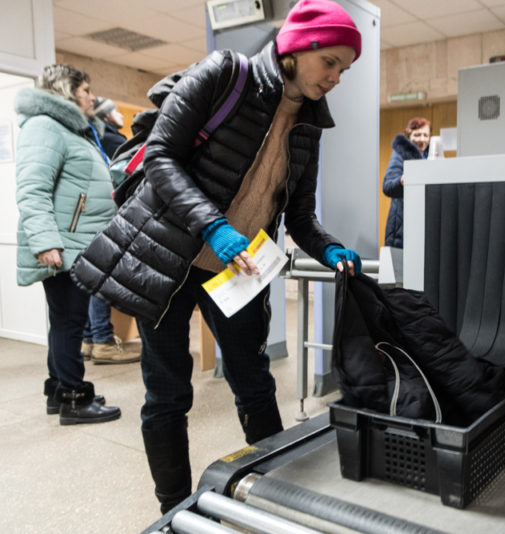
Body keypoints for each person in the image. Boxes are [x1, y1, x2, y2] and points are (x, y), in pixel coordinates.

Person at [73, 0, 363, 513]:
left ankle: (274, 493)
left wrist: (329, 247)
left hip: (237, 271)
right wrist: (213, 225)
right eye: (330, 62)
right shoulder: (224, 73)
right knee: (168, 394)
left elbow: (298, 214)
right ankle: (174, 510)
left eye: (344, 68)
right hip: (167, 258)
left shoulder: (310, 126)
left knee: (255, 385)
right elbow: (161, 156)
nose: (336, 77)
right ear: (297, 48)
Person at [14, 64, 122, 425]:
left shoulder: (72, 130)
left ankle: (58, 389)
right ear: (66, 90)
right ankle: (74, 399)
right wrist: (46, 243)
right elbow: (33, 190)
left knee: (64, 320)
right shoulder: (45, 127)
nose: (92, 96)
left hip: (77, 243)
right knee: (69, 321)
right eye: (86, 90)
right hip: (64, 244)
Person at [79, 96, 140, 364]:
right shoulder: (113, 140)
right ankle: (102, 340)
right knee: (101, 279)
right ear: (105, 116)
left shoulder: (87, 137)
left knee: (90, 278)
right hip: (106, 214)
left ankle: (89, 339)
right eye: (115, 111)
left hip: (87, 217)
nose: (121, 115)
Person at [382, 117, 430, 248]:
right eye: (417, 135)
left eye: (425, 135)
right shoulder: (400, 154)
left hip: (421, 223)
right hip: (401, 227)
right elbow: (387, 186)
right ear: (409, 136)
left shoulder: (429, 157)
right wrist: (402, 181)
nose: (422, 139)